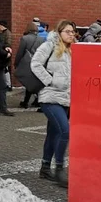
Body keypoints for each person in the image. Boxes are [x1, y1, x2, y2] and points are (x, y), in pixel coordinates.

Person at [32, 19, 75, 187]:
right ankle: (59, 169)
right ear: (59, 32)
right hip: (50, 96)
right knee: (65, 131)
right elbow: (35, 64)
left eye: (73, 32)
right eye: (68, 31)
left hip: (66, 98)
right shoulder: (49, 45)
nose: (71, 35)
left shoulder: (73, 50)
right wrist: (50, 80)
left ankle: (44, 168)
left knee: (53, 133)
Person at [16, 21, 46, 109]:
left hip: (27, 63)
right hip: (38, 63)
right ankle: (36, 101)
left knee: (28, 83)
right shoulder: (41, 39)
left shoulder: (24, 38)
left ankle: (26, 102)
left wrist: (16, 63)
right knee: (34, 83)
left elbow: (20, 53)